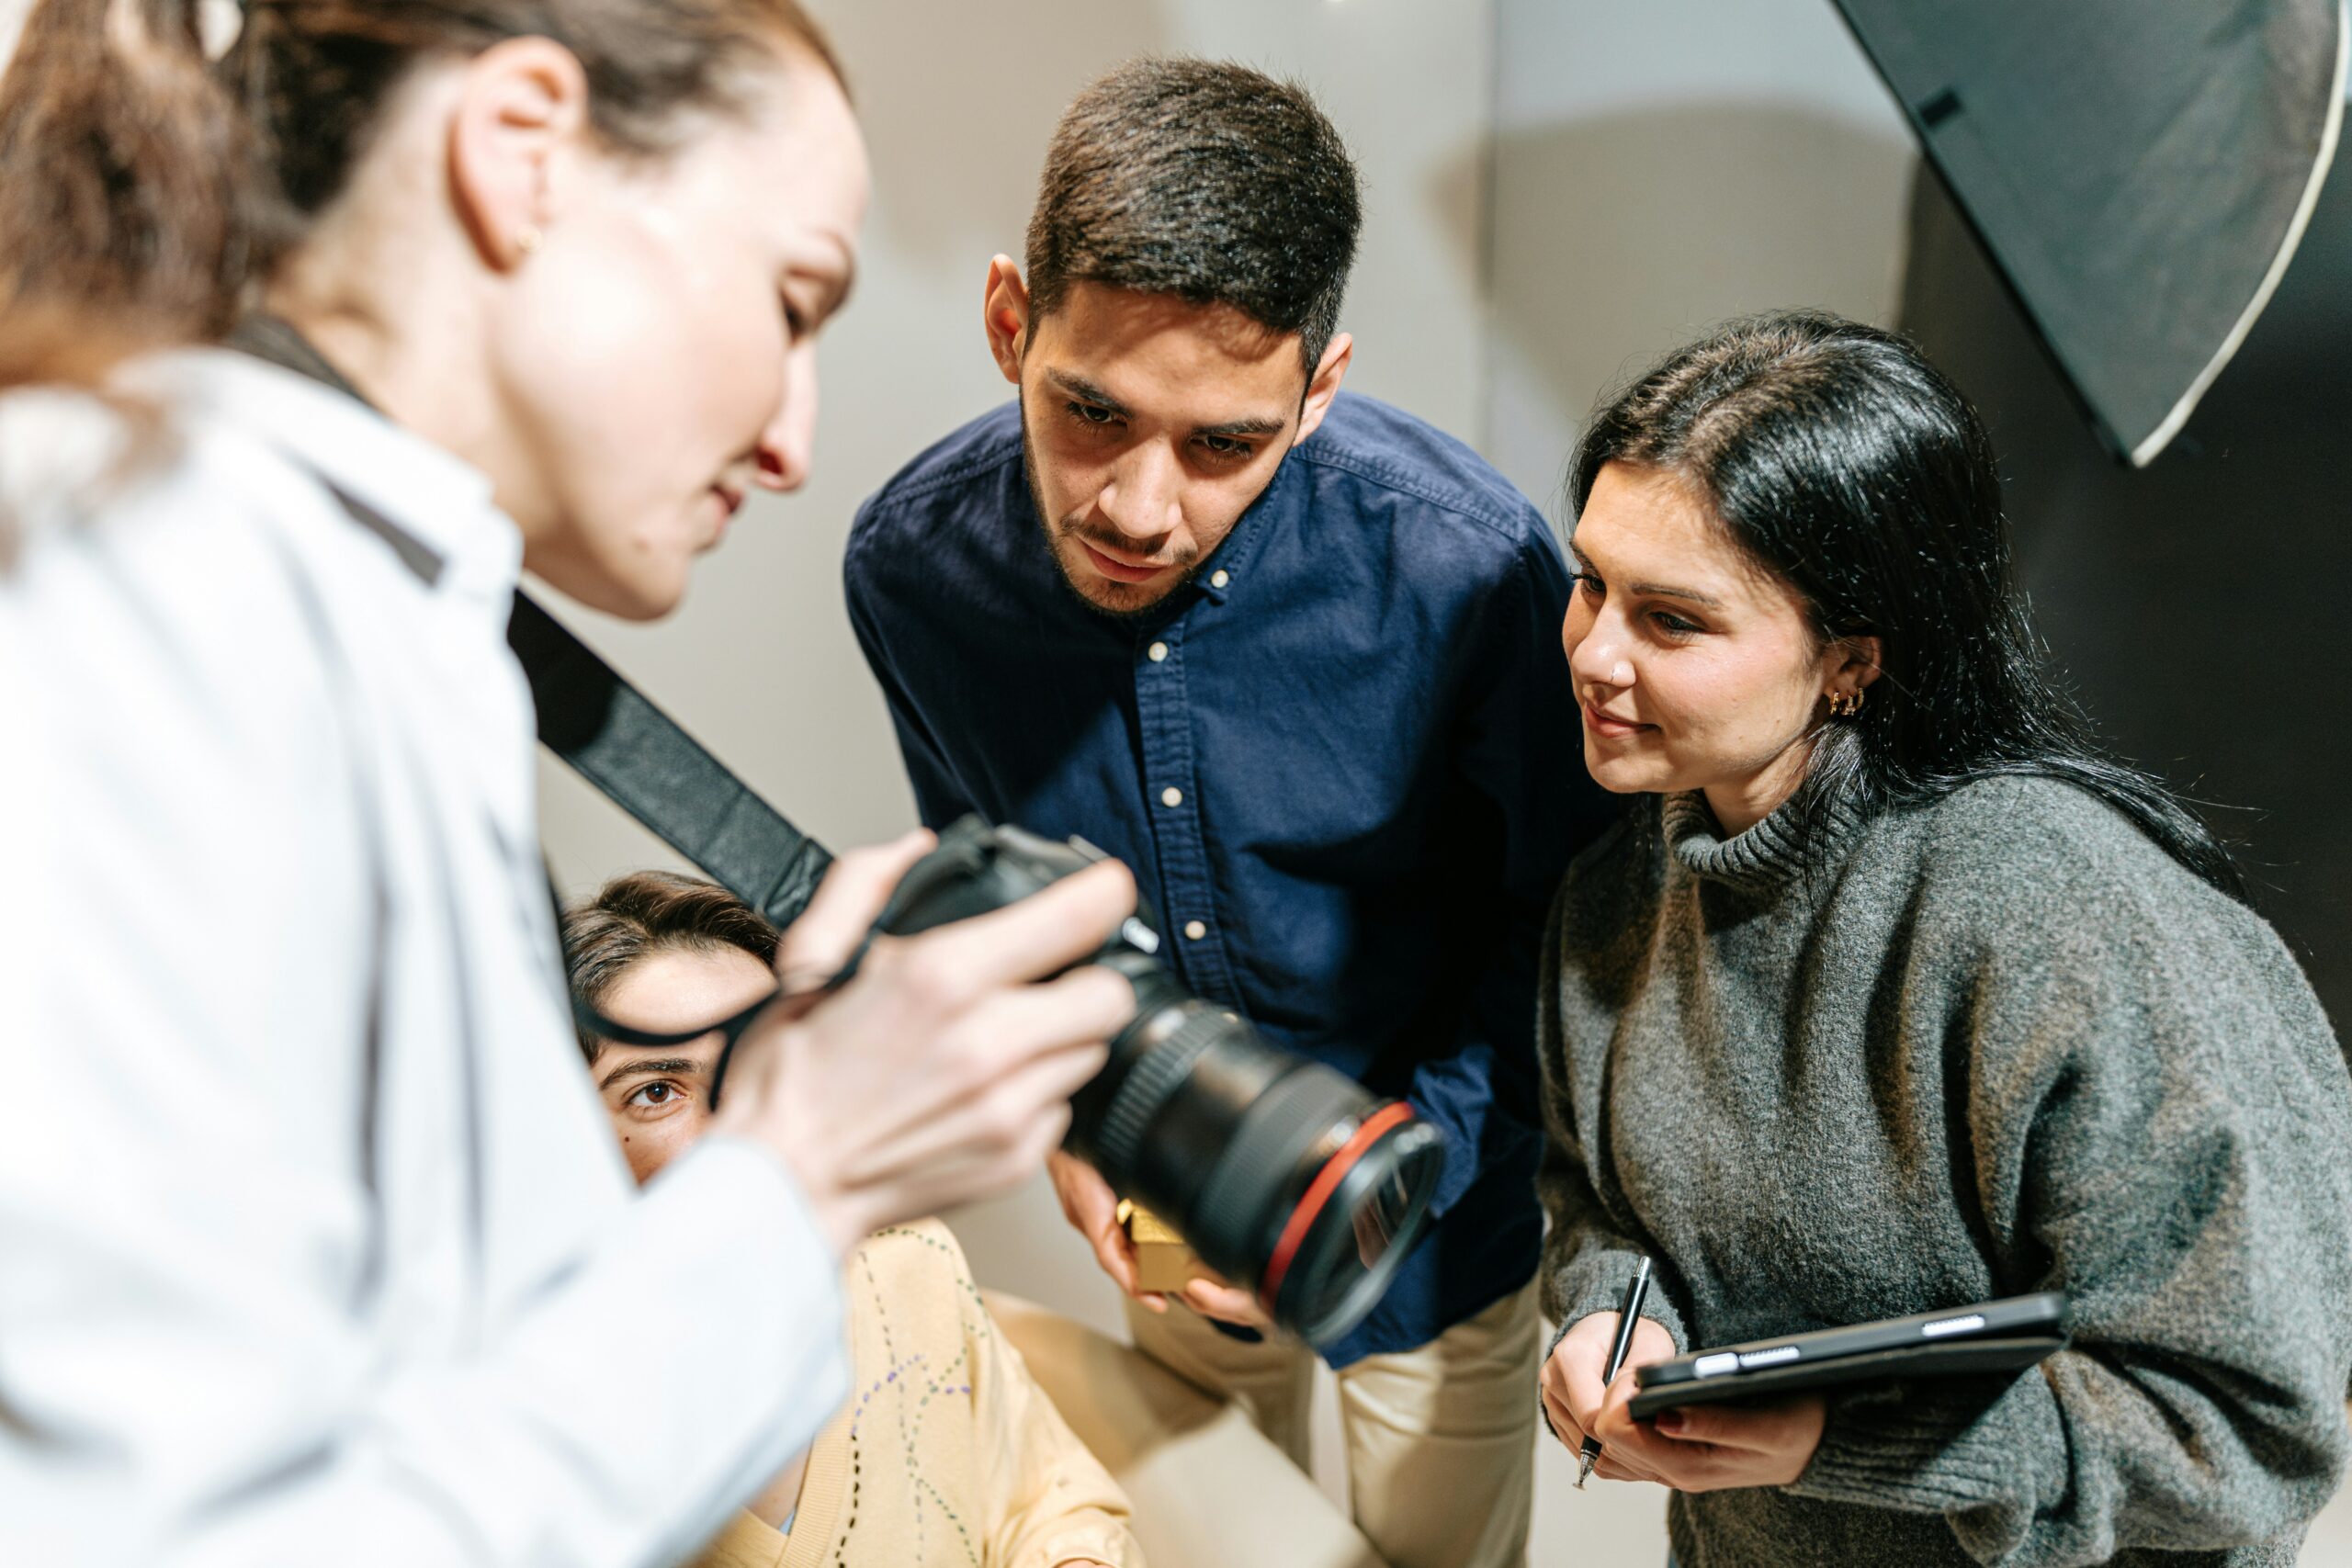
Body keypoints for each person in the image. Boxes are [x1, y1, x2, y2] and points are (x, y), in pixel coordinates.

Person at [0, 5, 1139, 1565]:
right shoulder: (141, 588)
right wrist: (806, 1167)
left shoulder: (407, 639)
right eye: (792, 302)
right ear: (522, 149)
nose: (797, 436)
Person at [842, 57, 1615, 1568]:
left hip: (1434, 1210)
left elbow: (1561, 925)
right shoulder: (910, 569)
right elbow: (986, 879)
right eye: (1092, 411)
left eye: (1222, 445)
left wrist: (1378, 1183)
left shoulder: (1467, 568)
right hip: (1158, 1196)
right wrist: (1078, 1123)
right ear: (1012, 321)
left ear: (1319, 392)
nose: (1140, 505)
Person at [1534, 310, 2352, 1566]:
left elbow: (2251, 1433)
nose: (1595, 650)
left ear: (1852, 660)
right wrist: (1611, 1309)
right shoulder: (1618, 890)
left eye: (1673, 620)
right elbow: (1601, 1196)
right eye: (1591, 581)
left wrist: (1845, 1435)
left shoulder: (2060, 917)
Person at [561, 872, 1145, 1568]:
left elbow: (1050, 1501)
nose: (739, 1124)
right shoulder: (531, 1440)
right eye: (659, 1090)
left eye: (761, 1062)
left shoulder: (908, 1261)